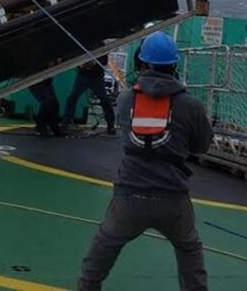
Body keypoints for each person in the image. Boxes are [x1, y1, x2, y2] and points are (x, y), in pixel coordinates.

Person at [78, 32, 213, 290]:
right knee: (189, 249)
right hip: (173, 198)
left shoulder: (127, 99)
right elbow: (201, 146)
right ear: (174, 65)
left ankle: (87, 287)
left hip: (131, 196)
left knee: (106, 242)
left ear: (140, 63)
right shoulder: (191, 105)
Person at [62, 54, 116, 134]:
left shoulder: (100, 45)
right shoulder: (84, 46)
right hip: (83, 76)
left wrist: (91, 64)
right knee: (72, 97)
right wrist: (81, 65)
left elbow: (104, 61)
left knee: (105, 100)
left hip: (96, 77)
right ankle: (66, 121)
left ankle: (110, 124)